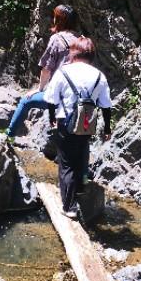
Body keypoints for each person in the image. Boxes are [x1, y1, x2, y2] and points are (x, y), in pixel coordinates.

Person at [43, 37, 112, 219]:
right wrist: (107, 129)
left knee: (66, 165)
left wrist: (52, 118)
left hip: (65, 122)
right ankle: (81, 188)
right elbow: (105, 105)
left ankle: (69, 207)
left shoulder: (64, 72)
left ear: (74, 52)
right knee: (81, 155)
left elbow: (51, 99)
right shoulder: (99, 76)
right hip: (87, 123)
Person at [6, 4, 78, 138]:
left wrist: (39, 89)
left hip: (60, 95)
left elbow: (46, 69)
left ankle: (9, 136)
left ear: (59, 20)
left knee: (25, 101)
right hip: (77, 96)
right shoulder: (82, 40)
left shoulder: (57, 39)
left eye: (55, 17)